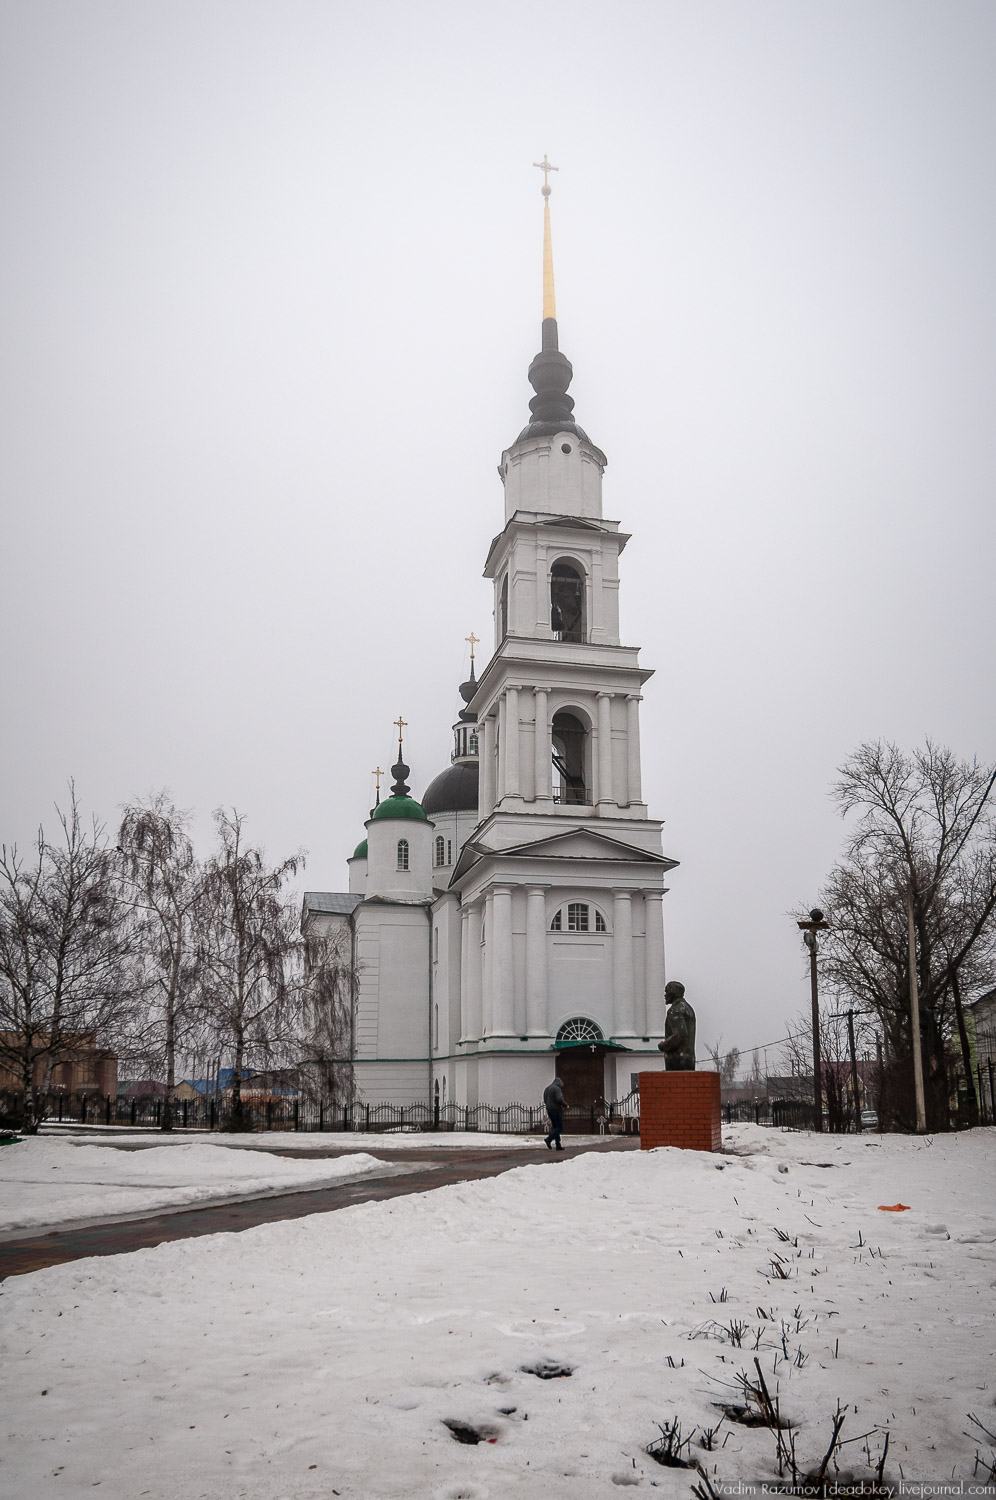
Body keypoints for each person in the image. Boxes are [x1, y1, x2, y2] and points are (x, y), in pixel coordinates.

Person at [658, 979, 696, 1070]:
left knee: (675, 1084)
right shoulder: (688, 1008)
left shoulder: (675, 1010)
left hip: (676, 1060)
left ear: (672, 993)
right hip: (689, 1059)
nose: (665, 995)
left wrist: (663, 1045)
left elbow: (680, 1035)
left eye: (666, 992)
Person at [543, 1076, 567, 1150]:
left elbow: (545, 1099)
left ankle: (558, 1145)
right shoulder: (556, 1088)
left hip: (549, 1110)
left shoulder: (547, 1088)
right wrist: (565, 1105)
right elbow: (559, 1099)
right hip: (556, 1110)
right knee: (559, 1127)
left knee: (555, 1127)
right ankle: (549, 1139)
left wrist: (549, 1105)